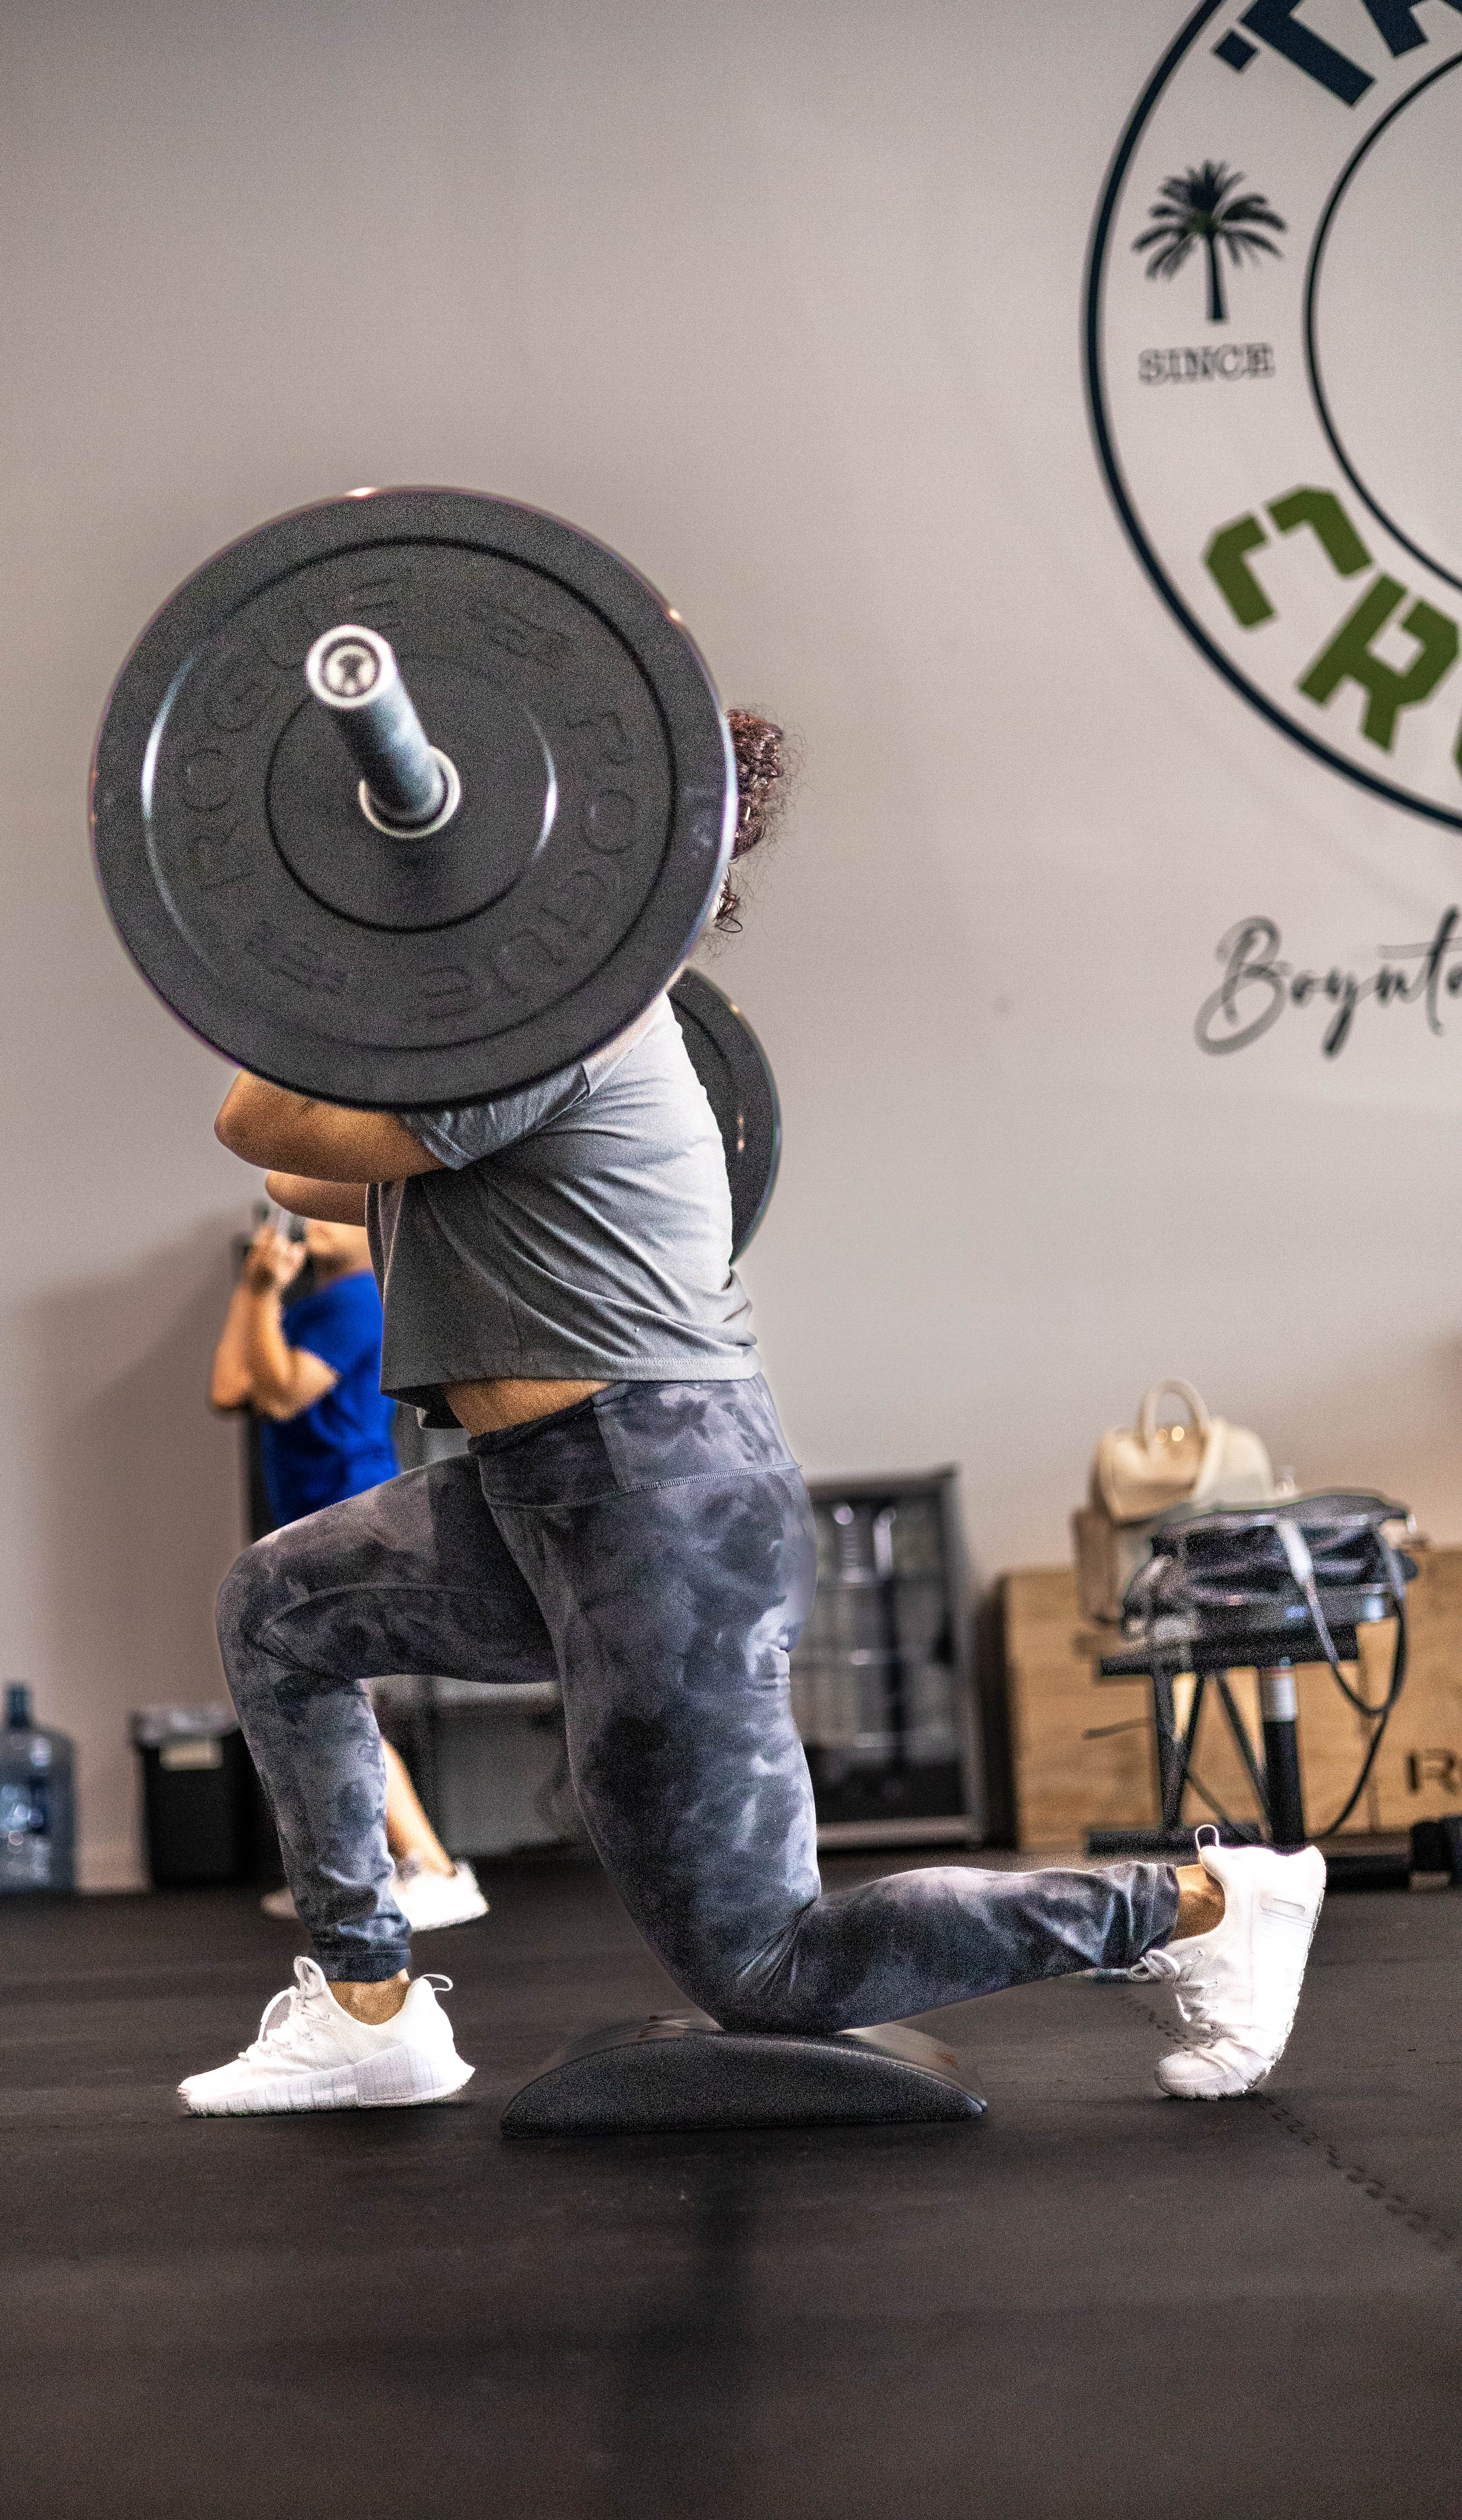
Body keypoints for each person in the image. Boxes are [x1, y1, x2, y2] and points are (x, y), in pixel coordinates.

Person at [179, 709, 1325, 2117]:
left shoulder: (573, 1010)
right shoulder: (504, 1033)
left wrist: (356, 944)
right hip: (545, 1491)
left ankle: (1207, 1907)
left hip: (658, 1503)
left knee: (768, 1967)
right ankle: (370, 2008)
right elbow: (309, 1176)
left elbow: (263, 1127)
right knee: (281, 1611)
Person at [208, 1210, 488, 1935]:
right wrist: (256, 1289)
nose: (313, 1220)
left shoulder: (360, 1299)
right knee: (328, 1698)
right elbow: (231, 1388)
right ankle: (376, 1877)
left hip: (352, 1508)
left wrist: (264, 1296)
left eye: (338, 1211)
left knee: (344, 1700)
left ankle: (435, 1870)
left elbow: (281, 1395)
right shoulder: (308, 1306)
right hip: (309, 1513)